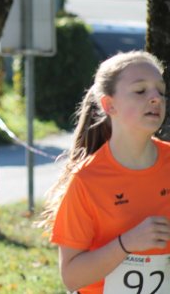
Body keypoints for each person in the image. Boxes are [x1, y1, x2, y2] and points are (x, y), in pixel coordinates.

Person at [41, 51, 170, 294]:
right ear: (109, 105)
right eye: (140, 91)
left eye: (161, 91)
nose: (156, 98)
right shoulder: (86, 180)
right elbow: (71, 278)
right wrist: (127, 243)